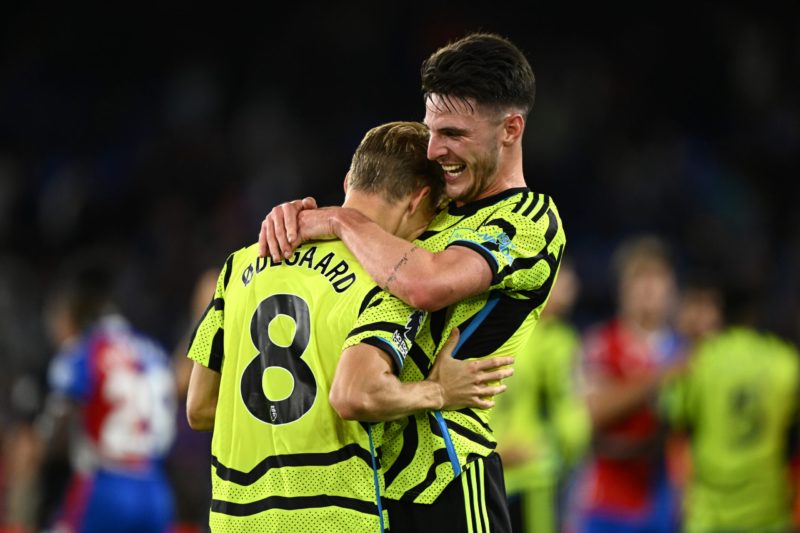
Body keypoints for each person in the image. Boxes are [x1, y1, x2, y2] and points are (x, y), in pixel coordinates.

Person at [260, 32, 566, 532]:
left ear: (510, 128)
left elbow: (426, 284)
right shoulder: (437, 206)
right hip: (371, 486)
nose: (435, 149)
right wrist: (294, 218)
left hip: (448, 479)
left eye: (454, 134)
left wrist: (342, 222)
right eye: (431, 131)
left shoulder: (528, 219)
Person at [186, 121, 513, 532]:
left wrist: (280, 420)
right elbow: (357, 394)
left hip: (235, 517)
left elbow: (198, 407)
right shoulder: (387, 279)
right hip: (333, 514)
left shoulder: (239, 266)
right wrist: (438, 391)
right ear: (419, 200)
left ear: (348, 181)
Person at [39, 250, 177, 532]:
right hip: (156, 488)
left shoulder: (83, 351)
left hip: (105, 486)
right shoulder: (152, 351)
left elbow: (57, 424)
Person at [571, 235, 685, 533]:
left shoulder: (683, 350)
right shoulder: (601, 344)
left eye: (657, 277)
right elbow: (592, 412)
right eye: (639, 277)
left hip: (668, 501)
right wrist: (660, 377)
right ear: (622, 289)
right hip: (607, 503)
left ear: (672, 288)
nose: (648, 288)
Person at [662, 287, 800, 532]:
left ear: (721, 314)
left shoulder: (700, 359)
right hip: (766, 512)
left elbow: (673, 413)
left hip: (709, 515)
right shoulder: (785, 361)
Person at [492, 259, 591, 533]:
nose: (572, 288)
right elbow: (571, 422)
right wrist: (562, 453)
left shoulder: (502, 330)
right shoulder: (558, 341)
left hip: (494, 472)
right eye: (563, 279)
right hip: (534, 473)